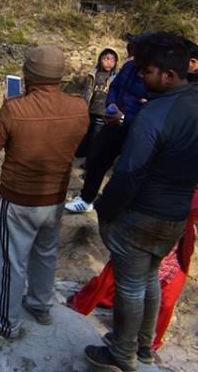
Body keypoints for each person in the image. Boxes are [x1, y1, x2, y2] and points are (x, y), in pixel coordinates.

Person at [84, 32, 198, 371]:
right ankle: (143, 347)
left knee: (131, 286)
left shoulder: (154, 116)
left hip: (143, 213)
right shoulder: (193, 102)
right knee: (148, 278)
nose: (139, 77)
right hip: (176, 215)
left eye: (145, 72)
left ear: (167, 75)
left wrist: (104, 207)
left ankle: (121, 353)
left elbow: (129, 173)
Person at [0, 45, 88, 338]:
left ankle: (5, 321)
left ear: (28, 75)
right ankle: (40, 305)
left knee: (11, 261)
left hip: (18, 198)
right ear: (60, 75)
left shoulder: (15, 108)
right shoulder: (79, 107)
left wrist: (6, 107)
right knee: (45, 254)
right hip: (56, 197)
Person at [70, 187, 198, 357]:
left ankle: (147, 344)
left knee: (165, 299)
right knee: (116, 277)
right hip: (146, 229)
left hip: (174, 245)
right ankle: (84, 305)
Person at [65, 36, 148, 214]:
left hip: (135, 131)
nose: (132, 58)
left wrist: (125, 117)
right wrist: (111, 105)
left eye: (135, 54)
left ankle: (115, 206)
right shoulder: (128, 68)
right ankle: (86, 199)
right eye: (131, 54)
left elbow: (152, 111)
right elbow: (115, 87)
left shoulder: (156, 77)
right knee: (96, 160)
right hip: (113, 124)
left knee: (124, 171)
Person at [75, 47, 119, 159]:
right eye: (106, 59)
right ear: (99, 59)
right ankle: (80, 153)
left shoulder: (115, 78)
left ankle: (89, 159)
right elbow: (85, 91)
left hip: (103, 112)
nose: (109, 63)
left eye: (113, 60)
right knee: (85, 133)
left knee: (96, 137)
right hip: (90, 110)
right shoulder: (93, 75)